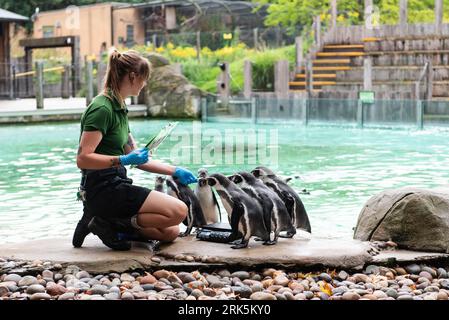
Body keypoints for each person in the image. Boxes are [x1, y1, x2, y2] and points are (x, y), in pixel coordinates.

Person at [73, 49, 197, 251]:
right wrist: (122, 160)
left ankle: (109, 223)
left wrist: (175, 171)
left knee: (171, 231)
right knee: (179, 211)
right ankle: (104, 220)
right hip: (102, 188)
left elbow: (137, 159)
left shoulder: (119, 106)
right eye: (144, 78)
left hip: (117, 182)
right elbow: (83, 159)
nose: (145, 84)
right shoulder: (102, 109)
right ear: (133, 76)